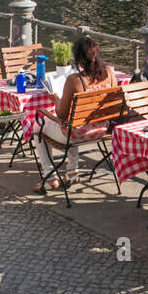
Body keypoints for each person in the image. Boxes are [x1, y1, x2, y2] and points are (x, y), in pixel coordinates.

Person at [35, 36, 117, 191]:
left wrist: (56, 99)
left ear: (78, 58)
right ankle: (72, 172)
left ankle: (50, 177)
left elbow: (61, 115)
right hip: (102, 130)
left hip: (77, 134)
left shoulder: (75, 80)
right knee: (74, 122)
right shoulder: (110, 74)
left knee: (37, 126)